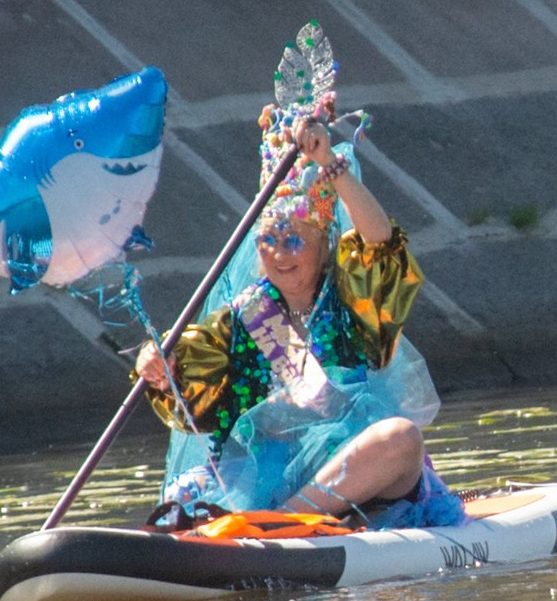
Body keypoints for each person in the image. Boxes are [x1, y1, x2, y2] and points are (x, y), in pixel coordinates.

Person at [134, 95, 464, 531]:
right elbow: (185, 389)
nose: (279, 254)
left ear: (322, 244)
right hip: (259, 482)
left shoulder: (349, 308)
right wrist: (156, 362)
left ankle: (282, 522)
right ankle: (273, 522)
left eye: (293, 240)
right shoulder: (241, 319)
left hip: (353, 479)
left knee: (401, 439)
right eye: (268, 240)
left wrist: (328, 162)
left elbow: (380, 243)